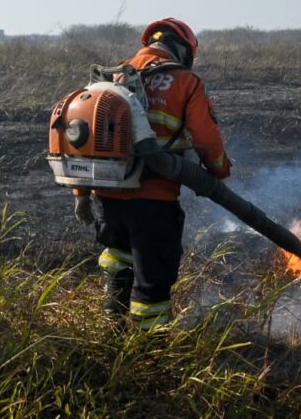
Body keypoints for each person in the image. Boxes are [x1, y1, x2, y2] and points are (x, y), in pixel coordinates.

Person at [74, 17, 232, 331]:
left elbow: (84, 136)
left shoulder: (112, 76)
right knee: (152, 285)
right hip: (153, 202)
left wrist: (81, 195)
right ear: (184, 49)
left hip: (107, 196)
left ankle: (112, 331)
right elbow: (207, 139)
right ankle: (150, 354)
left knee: (117, 260)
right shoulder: (186, 81)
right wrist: (219, 171)